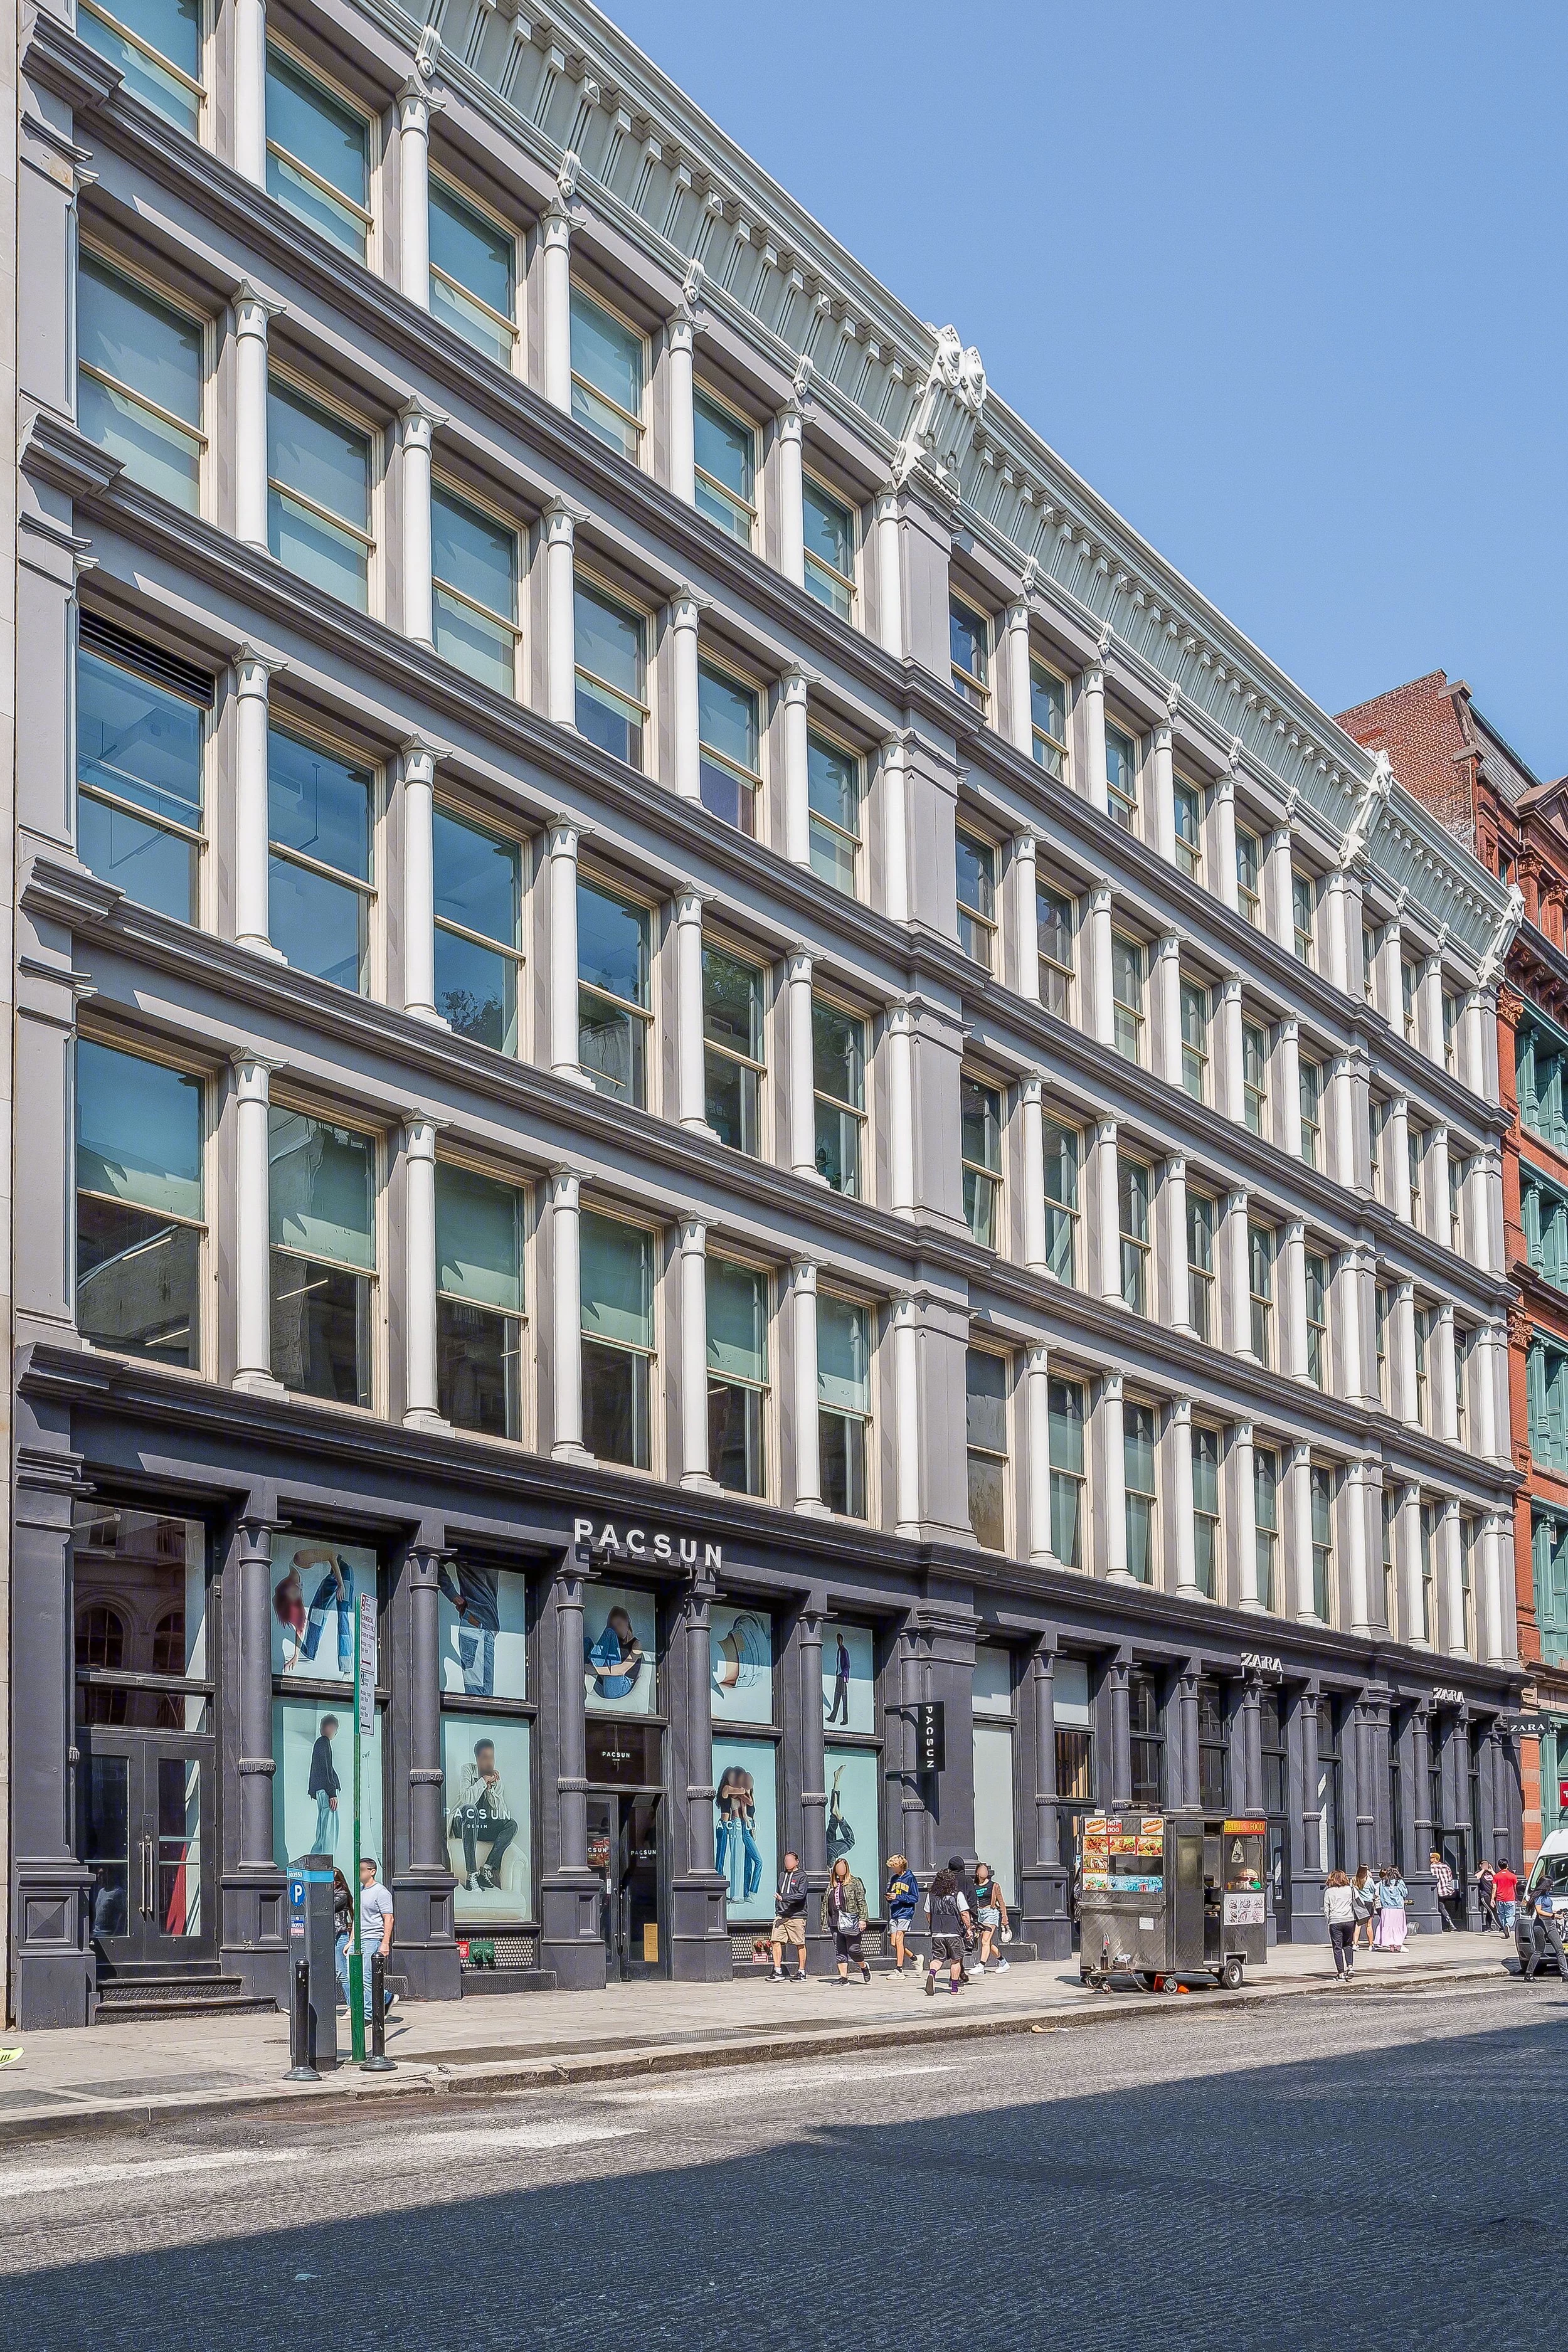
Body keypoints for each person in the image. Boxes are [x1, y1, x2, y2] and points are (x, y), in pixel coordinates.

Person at [450, 1737, 517, 1892]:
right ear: (477, 1759)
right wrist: (482, 1782)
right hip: (462, 1824)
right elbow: (466, 1799)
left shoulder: (496, 1780)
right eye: (485, 1758)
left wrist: (490, 1789)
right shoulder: (468, 1770)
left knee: (511, 1824)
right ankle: (471, 1875)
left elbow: (501, 1815)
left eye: (492, 1758)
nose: (489, 1762)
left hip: (481, 1827)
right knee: (471, 1810)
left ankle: (486, 1869)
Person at [437, 1561, 501, 1697]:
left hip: (480, 1627)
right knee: (481, 1696)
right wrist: (452, 1595)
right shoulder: (467, 1550)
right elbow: (433, 1561)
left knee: (480, 1693)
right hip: (478, 1626)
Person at [714, 1765, 763, 1905]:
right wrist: (745, 1788)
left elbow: (748, 1803)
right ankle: (722, 1891)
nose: (734, 1779)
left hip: (735, 1825)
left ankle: (745, 1893)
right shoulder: (727, 1789)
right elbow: (745, 1798)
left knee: (746, 1861)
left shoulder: (738, 1792)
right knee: (722, 1858)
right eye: (733, 1776)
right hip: (727, 1825)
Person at [924, 1855, 972, 1996]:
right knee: (956, 1960)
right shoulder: (957, 1895)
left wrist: (933, 1924)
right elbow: (965, 1914)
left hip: (937, 1933)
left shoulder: (931, 1895)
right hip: (954, 1932)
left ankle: (932, 1973)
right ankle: (955, 1989)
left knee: (938, 1959)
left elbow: (928, 1913)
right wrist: (969, 1929)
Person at [822, 1854, 871, 1984]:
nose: (840, 1870)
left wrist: (863, 1919)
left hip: (851, 1921)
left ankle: (863, 1966)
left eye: (842, 1867)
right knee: (840, 1951)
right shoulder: (832, 1885)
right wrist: (824, 1922)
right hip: (835, 1921)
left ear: (847, 1869)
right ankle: (844, 1978)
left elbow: (861, 1901)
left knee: (853, 1949)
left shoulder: (855, 1882)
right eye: (838, 1868)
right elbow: (825, 1904)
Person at [358, 1855, 396, 2021]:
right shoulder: (360, 1891)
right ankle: (386, 1996)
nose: (358, 1873)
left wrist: (385, 1943)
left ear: (372, 1871)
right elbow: (358, 1918)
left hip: (372, 1938)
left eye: (361, 1870)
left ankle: (368, 2015)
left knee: (367, 1978)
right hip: (358, 1939)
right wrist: (351, 1940)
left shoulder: (381, 1892)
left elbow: (389, 1918)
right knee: (354, 1976)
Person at [585, 1606, 645, 1702]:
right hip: (605, 1685)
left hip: (620, 1688)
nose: (617, 1629)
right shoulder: (615, 1642)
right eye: (614, 1627)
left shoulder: (637, 1644)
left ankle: (590, 1671)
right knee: (587, 1641)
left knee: (609, 1633)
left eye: (619, 1624)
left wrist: (595, 1670)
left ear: (627, 1621)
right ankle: (583, 1674)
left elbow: (622, 1669)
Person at [768, 1851, 808, 1981]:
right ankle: (777, 1970)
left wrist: (784, 1898)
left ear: (797, 1862)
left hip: (796, 1916)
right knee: (775, 1941)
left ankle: (802, 1972)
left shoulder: (802, 1876)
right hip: (781, 1916)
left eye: (790, 1860)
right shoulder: (782, 1875)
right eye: (786, 1860)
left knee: (799, 1943)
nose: (788, 1863)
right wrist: (778, 1909)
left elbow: (801, 1895)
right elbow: (779, 1894)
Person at [307, 1715, 340, 1856]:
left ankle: (318, 1857)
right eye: (335, 1730)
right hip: (326, 1792)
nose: (335, 1733)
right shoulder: (324, 1742)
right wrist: (332, 1793)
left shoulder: (320, 1743)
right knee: (328, 1831)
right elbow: (325, 1768)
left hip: (322, 1791)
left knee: (323, 1829)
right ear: (331, 1727)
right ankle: (325, 1859)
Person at [972, 1862, 1010, 1973]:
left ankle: (981, 1966)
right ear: (977, 1873)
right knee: (988, 1942)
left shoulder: (994, 1886)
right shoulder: (974, 1886)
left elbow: (1001, 1902)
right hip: (980, 1915)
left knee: (985, 1941)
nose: (984, 1872)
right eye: (982, 1870)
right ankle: (1003, 1962)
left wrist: (1004, 1917)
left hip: (991, 1913)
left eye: (986, 1870)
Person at [886, 1855, 919, 1974]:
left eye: (894, 1867)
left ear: (901, 1866)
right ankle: (915, 1958)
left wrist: (898, 1897)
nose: (893, 1869)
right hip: (895, 1912)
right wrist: (890, 1898)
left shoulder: (910, 1878)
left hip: (906, 1913)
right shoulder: (894, 1878)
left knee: (899, 1940)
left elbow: (915, 1898)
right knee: (894, 1943)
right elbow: (892, 1894)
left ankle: (899, 1969)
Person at [1323, 1868, 1357, 1981]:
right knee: (1348, 1944)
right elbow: (1359, 1903)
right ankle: (1350, 1967)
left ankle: (1341, 1974)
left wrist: (1329, 1921)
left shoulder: (1329, 1891)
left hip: (1335, 1921)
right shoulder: (1351, 1889)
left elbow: (1326, 1909)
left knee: (1337, 1947)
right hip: (1349, 1920)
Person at [332, 1867, 355, 2010]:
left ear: (339, 1882)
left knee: (343, 1972)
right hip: (327, 1937)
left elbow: (329, 1907)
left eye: (333, 1880)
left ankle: (352, 2006)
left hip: (339, 1936)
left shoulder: (342, 1894)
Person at [1375, 1865, 1408, 1952]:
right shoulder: (1399, 1882)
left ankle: (1391, 1946)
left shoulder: (1383, 1882)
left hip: (1386, 1908)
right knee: (1398, 1927)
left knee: (1388, 1927)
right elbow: (1405, 1893)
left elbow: (1380, 1894)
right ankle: (1398, 1944)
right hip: (1398, 1908)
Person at [1350, 1864, 1380, 1951]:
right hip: (1368, 1903)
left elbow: (1352, 1889)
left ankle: (1355, 1944)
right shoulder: (1369, 1880)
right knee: (1369, 1925)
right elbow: (1374, 1890)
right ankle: (1371, 1945)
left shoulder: (1354, 1879)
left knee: (1358, 1924)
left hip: (1358, 1902)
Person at [1431, 1847, 1460, 1930]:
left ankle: (1449, 1924)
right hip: (1446, 1890)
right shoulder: (1446, 1866)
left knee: (1441, 1906)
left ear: (1435, 1859)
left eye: (1431, 1858)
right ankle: (1450, 1923)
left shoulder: (1431, 1867)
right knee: (1442, 1906)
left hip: (1436, 1890)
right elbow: (1450, 1879)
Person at [825, 1632, 850, 1727]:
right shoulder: (839, 1650)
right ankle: (833, 1717)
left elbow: (847, 1665)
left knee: (844, 1698)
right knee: (837, 1697)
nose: (838, 1642)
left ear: (842, 1640)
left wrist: (843, 1674)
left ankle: (845, 1719)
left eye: (840, 1640)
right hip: (838, 1676)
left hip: (842, 1677)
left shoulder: (844, 1651)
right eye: (837, 1640)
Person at [1493, 1859, 1520, 1938]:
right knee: (1511, 1915)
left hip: (1500, 1899)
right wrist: (1518, 1897)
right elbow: (1516, 1888)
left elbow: (1494, 1887)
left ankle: (1505, 1926)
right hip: (1510, 1899)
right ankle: (1508, 1925)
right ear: (1507, 1865)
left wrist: (1492, 1899)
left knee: (1502, 1915)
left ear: (1499, 1866)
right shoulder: (1513, 1876)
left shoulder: (1496, 1876)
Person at [1476, 1857, 1498, 1932]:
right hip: (1485, 1894)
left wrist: (1492, 1871)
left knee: (1490, 1911)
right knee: (1493, 1910)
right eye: (1484, 1864)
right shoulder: (1479, 1872)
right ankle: (1501, 1927)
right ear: (1480, 1865)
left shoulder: (1490, 1873)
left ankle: (1488, 1927)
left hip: (1492, 1894)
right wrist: (1483, 1870)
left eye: (1487, 1864)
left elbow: (1497, 1879)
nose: (1486, 1865)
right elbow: (1477, 1877)